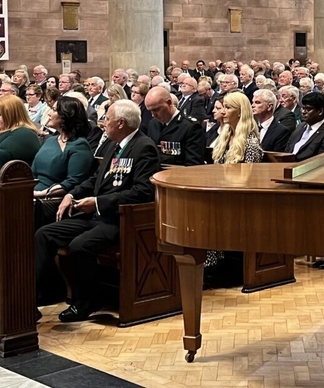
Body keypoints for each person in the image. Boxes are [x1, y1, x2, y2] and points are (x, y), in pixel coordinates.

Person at [34, 100, 160, 322]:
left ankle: (88, 300)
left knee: (80, 246)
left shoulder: (144, 147)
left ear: (121, 123)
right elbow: (95, 179)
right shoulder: (113, 145)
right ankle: (35, 298)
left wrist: (99, 202)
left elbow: (142, 192)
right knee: (45, 234)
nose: (103, 124)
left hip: (120, 219)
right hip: (95, 215)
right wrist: (71, 194)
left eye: (108, 119)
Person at [31, 96, 94, 229]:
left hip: (52, 201)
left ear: (66, 116)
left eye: (54, 110)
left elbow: (73, 182)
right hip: (34, 194)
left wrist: (39, 194)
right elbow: (33, 171)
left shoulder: (79, 145)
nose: (49, 113)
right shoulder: (50, 140)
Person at [145, 86, 205, 166]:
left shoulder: (190, 127)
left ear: (169, 103)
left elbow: (194, 164)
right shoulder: (153, 124)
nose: (153, 115)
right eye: (150, 111)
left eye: (156, 110)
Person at [212, 91, 263, 164]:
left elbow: (250, 173)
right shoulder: (224, 135)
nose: (223, 112)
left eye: (228, 107)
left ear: (240, 112)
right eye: (224, 107)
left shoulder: (251, 142)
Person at [284, 91, 324, 161]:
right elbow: (287, 150)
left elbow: (321, 162)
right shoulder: (300, 126)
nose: (303, 112)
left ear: (320, 111)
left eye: (308, 109)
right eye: (303, 108)